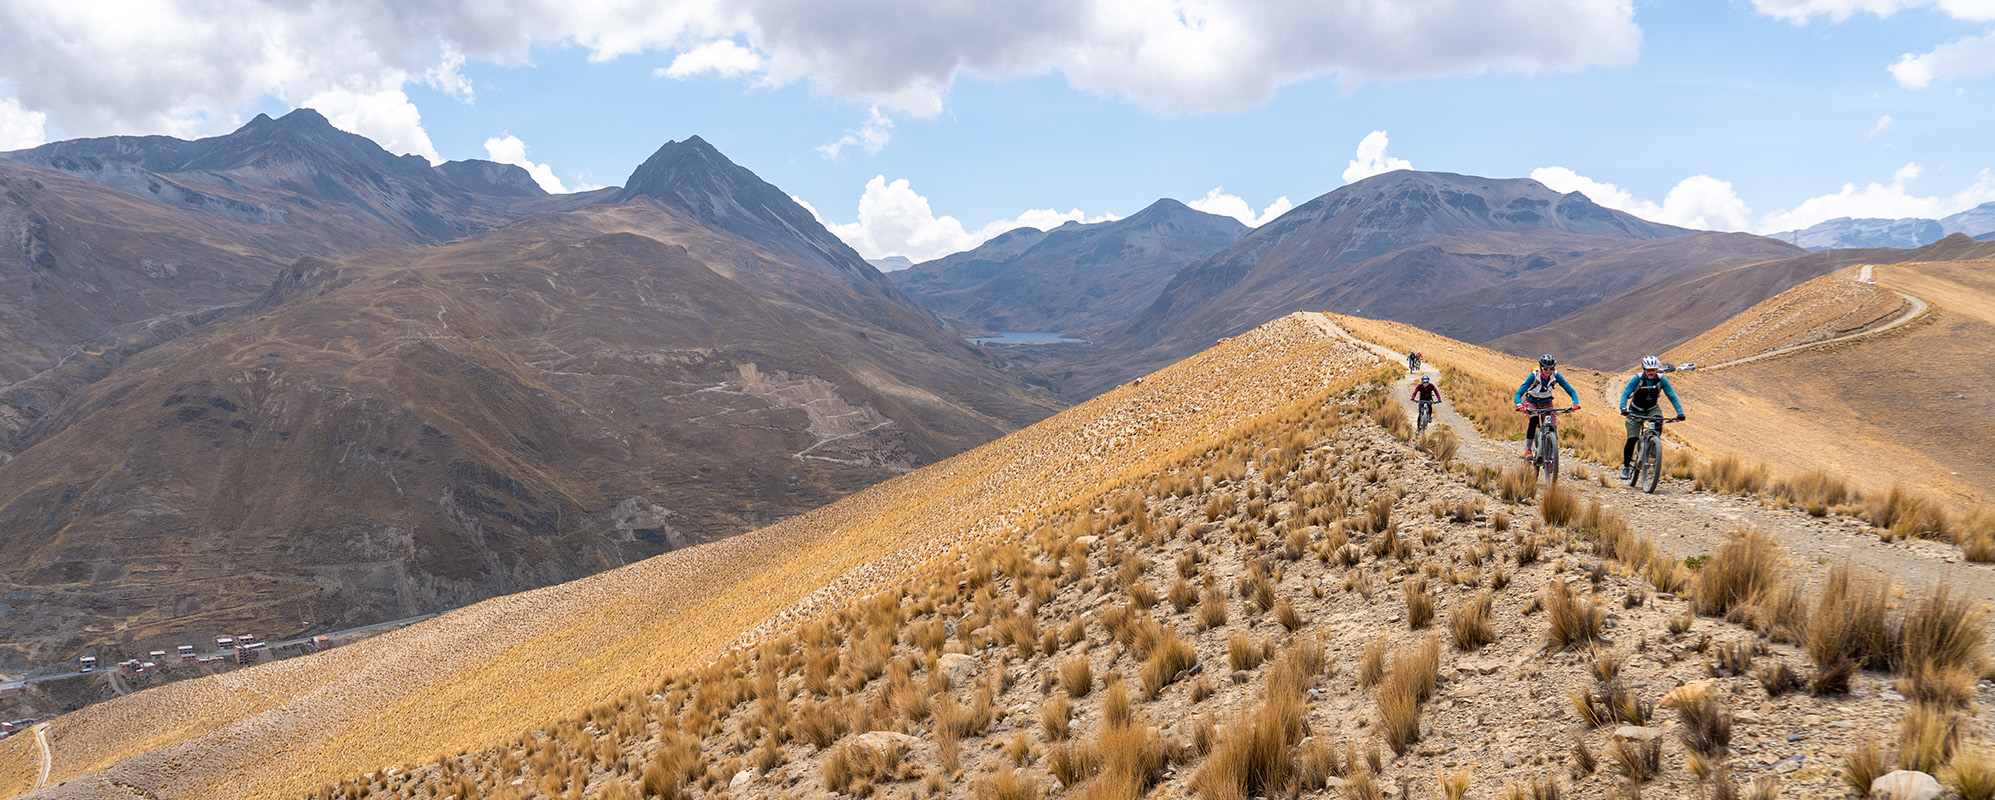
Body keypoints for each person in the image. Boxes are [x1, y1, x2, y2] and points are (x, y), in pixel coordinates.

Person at [1618, 355, 1686, 479]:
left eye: (1653, 370)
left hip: (1652, 409)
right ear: (1644, 369)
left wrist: (1680, 412)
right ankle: (1626, 467)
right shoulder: (1637, 379)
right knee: (1632, 439)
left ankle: (1654, 446)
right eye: (1648, 370)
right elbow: (1625, 393)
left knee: (1659, 421)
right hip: (1635, 410)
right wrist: (1623, 408)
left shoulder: (1661, 380)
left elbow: (1672, 396)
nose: (1651, 372)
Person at [1512, 355, 1580, 458]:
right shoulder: (1534, 376)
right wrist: (1520, 404)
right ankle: (1528, 449)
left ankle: (1552, 457)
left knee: (1552, 426)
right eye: (1545, 369)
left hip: (1547, 402)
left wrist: (1575, 403)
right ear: (1541, 367)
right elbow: (1519, 393)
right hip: (1531, 401)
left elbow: (1570, 390)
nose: (1548, 371)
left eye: (1551, 369)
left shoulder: (1556, 376)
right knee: (1534, 420)